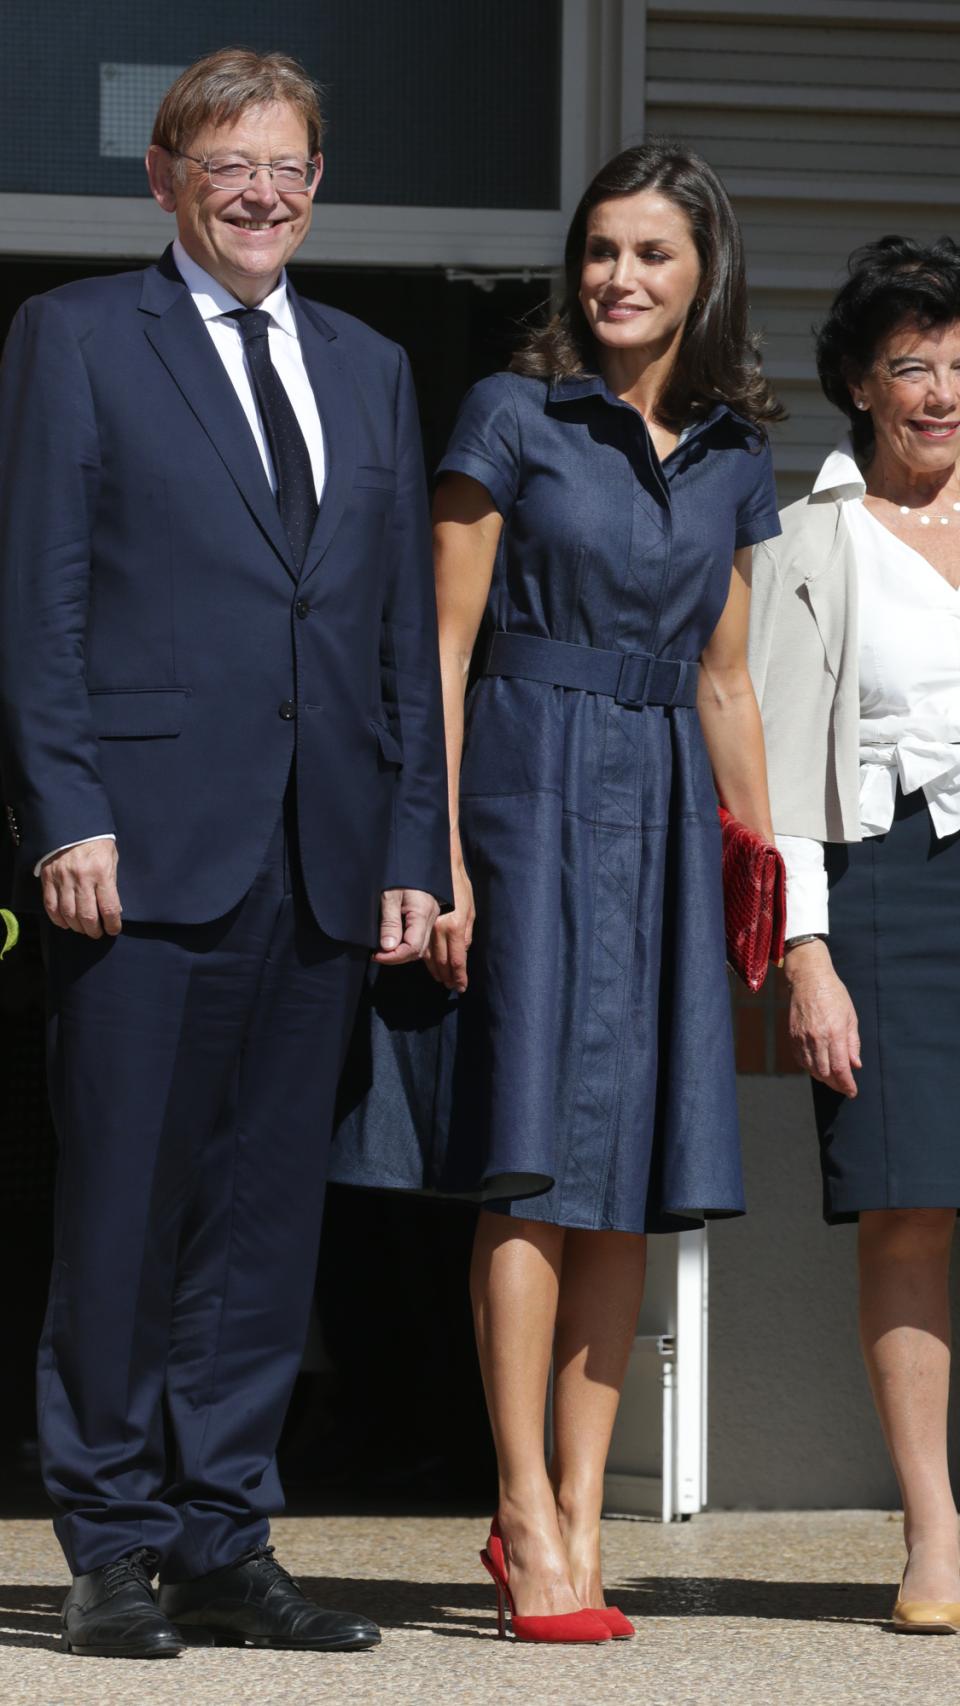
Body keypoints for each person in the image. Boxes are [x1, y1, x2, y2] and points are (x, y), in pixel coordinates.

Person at [0, 47, 450, 1659]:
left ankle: (222, 1534)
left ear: (318, 185)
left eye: (287, 167)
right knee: (126, 1205)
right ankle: (113, 1540)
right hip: (141, 850)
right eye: (227, 165)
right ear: (165, 180)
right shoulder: (76, 338)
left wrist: (412, 844)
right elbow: (38, 601)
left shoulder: (368, 366)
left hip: (320, 854)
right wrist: (65, 810)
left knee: (266, 1218)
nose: (261, 193)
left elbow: (397, 631)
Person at [331, 140, 782, 1642]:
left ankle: (588, 1516)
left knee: (631, 1178)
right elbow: (442, 644)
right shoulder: (511, 410)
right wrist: (437, 848)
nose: (619, 278)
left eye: (652, 253)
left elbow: (728, 682)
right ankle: (520, 1507)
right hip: (524, 793)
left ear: (704, 272)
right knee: (528, 1163)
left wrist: (767, 879)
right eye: (600, 249)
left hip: (665, 812)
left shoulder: (735, 451)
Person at [750, 236, 960, 1633]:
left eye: (959, 364)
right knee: (909, 1201)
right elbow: (775, 773)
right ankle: (935, 1532)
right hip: (890, 884)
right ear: (861, 386)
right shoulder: (808, 541)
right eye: (911, 366)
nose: (941, 392)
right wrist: (808, 956)